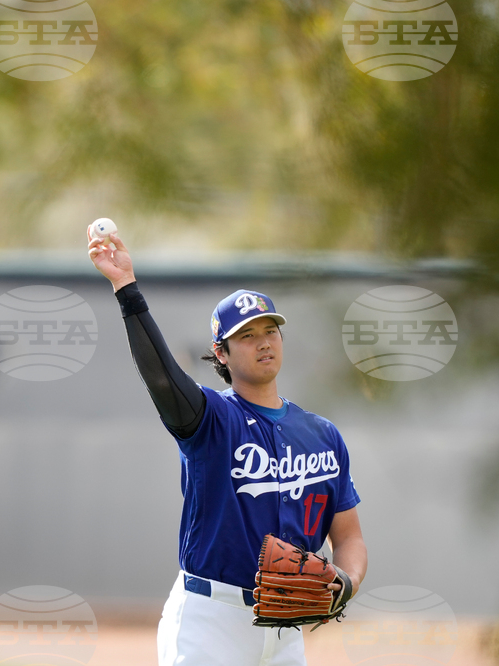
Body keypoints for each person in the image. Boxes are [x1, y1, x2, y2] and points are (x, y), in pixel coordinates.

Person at [87, 229, 368, 666]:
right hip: (209, 621)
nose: (263, 341)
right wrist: (127, 289)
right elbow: (163, 379)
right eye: (247, 335)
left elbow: (348, 536)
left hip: (284, 628)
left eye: (270, 329)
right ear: (221, 353)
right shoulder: (210, 419)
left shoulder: (323, 435)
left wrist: (347, 581)